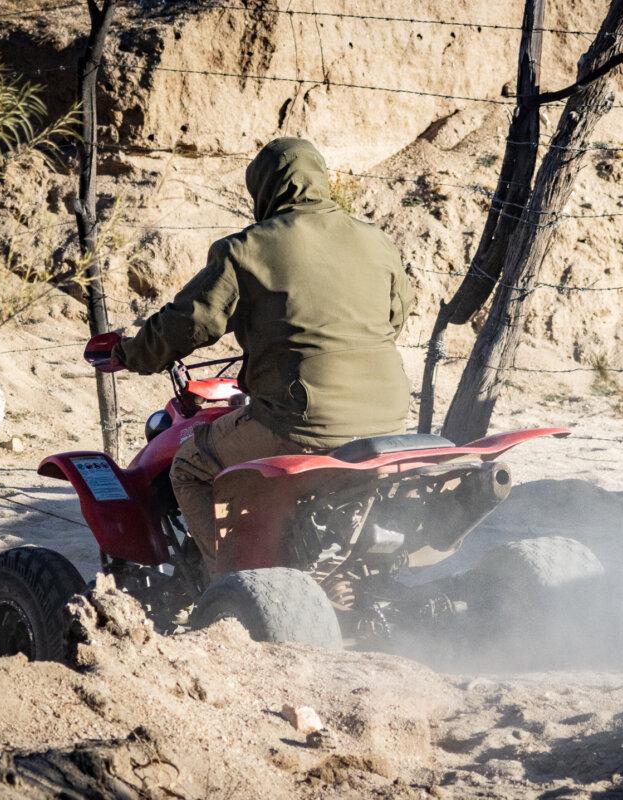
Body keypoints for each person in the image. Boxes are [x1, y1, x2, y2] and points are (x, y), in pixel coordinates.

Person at [108, 137, 414, 577]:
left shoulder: (245, 250)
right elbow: (394, 319)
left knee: (188, 468)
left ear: (264, 189)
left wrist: (131, 353)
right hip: (388, 417)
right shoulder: (377, 241)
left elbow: (189, 324)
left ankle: (227, 587)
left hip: (302, 420)